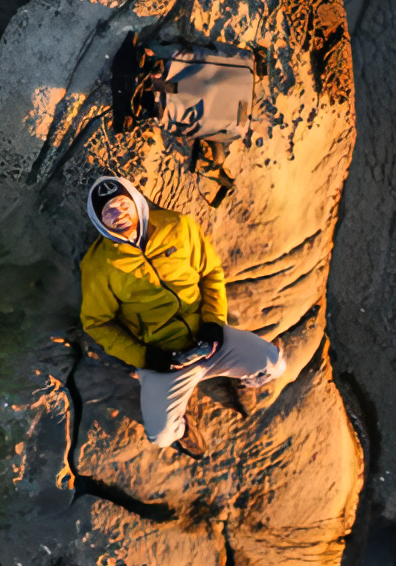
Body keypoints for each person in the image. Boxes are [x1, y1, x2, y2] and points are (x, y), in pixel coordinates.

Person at [79, 175, 286, 458]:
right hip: (164, 360)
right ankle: (185, 428)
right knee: (161, 437)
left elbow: (210, 272)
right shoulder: (98, 265)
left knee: (274, 364)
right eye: (108, 211)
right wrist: (147, 358)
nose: (119, 214)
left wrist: (213, 322)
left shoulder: (177, 225)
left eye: (122, 204)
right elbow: (96, 323)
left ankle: (238, 378)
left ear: (135, 200)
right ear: (98, 220)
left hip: (211, 340)